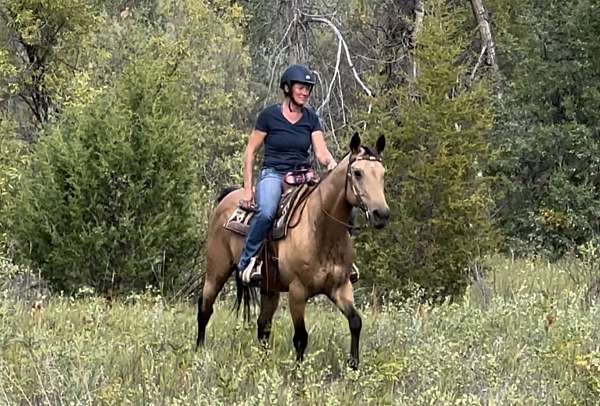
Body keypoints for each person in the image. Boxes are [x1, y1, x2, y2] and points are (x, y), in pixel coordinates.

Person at [237, 64, 337, 285]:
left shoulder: (311, 118)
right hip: (274, 174)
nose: (305, 93)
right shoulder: (269, 116)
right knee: (266, 212)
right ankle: (247, 262)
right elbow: (250, 152)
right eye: (301, 88)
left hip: (303, 176)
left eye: (308, 89)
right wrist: (247, 189)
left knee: (331, 205)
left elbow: (321, 151)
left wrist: (331, 163)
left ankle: (339, 263)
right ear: (288, 88)